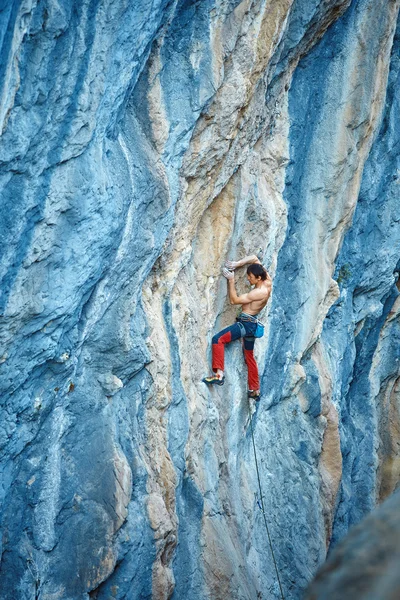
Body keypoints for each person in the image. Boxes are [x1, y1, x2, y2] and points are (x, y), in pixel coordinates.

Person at [202, 254, 272, 400]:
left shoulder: (258, 292)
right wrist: (237, 264)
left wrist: (231, 280)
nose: (248, 279)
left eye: (251, 277)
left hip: (245, 325)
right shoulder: (267, 280)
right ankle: (254, 390)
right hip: (252, 325)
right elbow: (254, 258)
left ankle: (219, 375)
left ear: (258, 278)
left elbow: (234, 300)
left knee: (218, 339)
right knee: (249, 357)